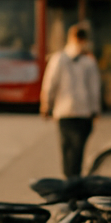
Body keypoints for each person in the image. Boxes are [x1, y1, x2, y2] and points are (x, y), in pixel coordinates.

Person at [40, 23, 103, 178]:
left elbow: (49, 85)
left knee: (66, 149)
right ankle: (74, 180)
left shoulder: (58, 58)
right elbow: (95, 90)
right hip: (83, 112)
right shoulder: (89, 61)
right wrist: (95, 111)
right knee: (78, 150)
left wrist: (46, 105)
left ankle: (68, 180)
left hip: (64, 112)